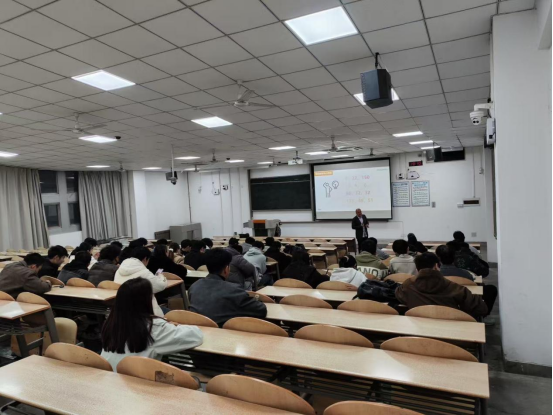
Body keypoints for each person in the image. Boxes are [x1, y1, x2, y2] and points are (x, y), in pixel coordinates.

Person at [101, 278, 203, 372]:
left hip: (109, 378)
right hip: (135, 381)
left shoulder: (111, 323)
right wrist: (174, 327)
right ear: (146, 300)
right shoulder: (152, 328)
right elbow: (196, 336)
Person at [189, 249, 267, 326]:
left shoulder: (194, 286)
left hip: (197, 329)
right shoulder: (234, 290)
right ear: (226, 269)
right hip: (223, 332)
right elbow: (261, 310)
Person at [396, 253, 488, 318]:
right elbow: (481, 309)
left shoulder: (407, 285)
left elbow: (399, 296)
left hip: (418, 328)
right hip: (451, 330)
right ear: (436, 266)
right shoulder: (454, 287)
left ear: (417, 269)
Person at [115, 247, 168, 317]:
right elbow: (160, 286)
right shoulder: (144, 272)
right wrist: (161, 276)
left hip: (123, 310)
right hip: (144, 312)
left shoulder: (119, 270)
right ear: (145, 259)